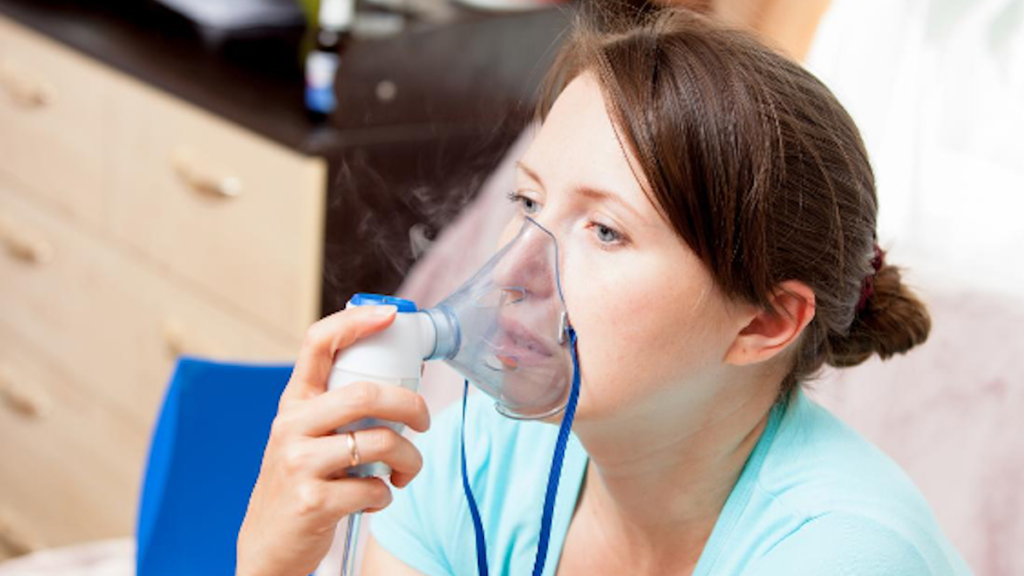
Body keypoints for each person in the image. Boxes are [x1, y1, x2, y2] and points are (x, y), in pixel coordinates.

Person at [237, 7, 972, 576]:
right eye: (529, 204)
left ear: (766, 322)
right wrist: (271, 562)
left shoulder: (845, 555)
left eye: (606, 232)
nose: (518, 274)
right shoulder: (482, 453)